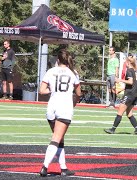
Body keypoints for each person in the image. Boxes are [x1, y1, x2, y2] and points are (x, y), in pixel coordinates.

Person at [38, 49, 81, 177]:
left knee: (59, 139)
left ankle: (63, 168)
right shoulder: (73, 73)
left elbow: (42, 91)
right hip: (65, 108)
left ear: (58, 60)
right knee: (56, 139)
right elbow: (78, 93)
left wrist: (53, 91)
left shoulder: (51, 71)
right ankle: (45, 167)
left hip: (51, 107)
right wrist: (75, 100)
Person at [104, 55, 137, 135]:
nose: (124, 64)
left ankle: (112, 129)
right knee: (129, 114)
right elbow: (132, 85)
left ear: (128, 62)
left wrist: (119, 80)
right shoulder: (133, 71)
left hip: (129, 95)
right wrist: (121, 89)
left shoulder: (129, 71)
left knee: (120, 112)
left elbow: (130, 82)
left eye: (125, 62)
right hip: (134, 94)